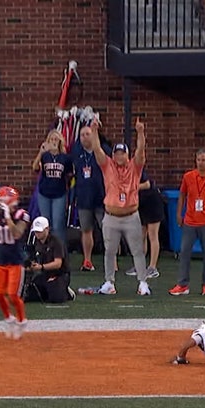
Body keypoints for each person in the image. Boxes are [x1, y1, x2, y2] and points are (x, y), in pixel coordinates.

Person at [90, 118, 151, 296]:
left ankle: (142, 282)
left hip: (131, 215)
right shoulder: (107, 165)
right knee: (109, 251)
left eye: (122, 153)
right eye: (116, 153)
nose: (119, 156)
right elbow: (96, 149)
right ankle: (109, 282)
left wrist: (140, 132)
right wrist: (94, 131)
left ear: (126, 154)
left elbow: (141, 150)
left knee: (137, 250)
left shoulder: (135, 166)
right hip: (111, 215)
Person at [170, 149, 205, 296]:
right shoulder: (188, 177)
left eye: (203, 160)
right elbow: (182, 194)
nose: (201, 163)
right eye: (198, 160)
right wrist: (178, 213)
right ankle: (183, 284)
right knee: (185, 252)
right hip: (190, 221)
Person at [0, 185, 31, 338]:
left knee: (12, 295)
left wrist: (7, 218)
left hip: (15, 260)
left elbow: (17, 234)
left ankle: (21, 320)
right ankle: (8, 318)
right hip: (1, 259)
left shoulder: (21, 214)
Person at [73, 124, 109, 272]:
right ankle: (87, 260)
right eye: (82, 135)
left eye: (88, 134)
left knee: (107, 230)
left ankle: (111, 261)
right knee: (86, 230)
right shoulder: (77, 152)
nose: (84, 137)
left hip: (102, 197)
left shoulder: (103, 150)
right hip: (83, 197)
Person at [32, 130, 72, 240]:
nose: (54, 142)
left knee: (58, 223)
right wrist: (41, 152)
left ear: (60, 141)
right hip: (44, 193)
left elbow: (69, 174)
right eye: (52, 139)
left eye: (56, 139)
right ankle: (46, 250)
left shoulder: (65, 158)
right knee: (45, 222)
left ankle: (59, 251)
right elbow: (35, 167)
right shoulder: (45, 156)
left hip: (59, 194)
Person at [25, 216, 72, 303]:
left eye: (39, 231)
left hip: (59, 274)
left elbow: (58, 263)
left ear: (47, 229)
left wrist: (41, 267)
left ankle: (66, 291)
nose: (37, 234)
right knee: (32, 295)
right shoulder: (35, 242)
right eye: (36, 231)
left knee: (56, 299)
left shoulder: (56, 242)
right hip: (45, 274)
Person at [134, 169, 164, 280]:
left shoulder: (137, 169)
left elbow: (147, 184)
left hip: (153, 203)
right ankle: (139, 266)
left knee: (152, 235)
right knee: (140, 235)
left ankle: (152, 267)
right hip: (140, 204)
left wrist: (132, 186)